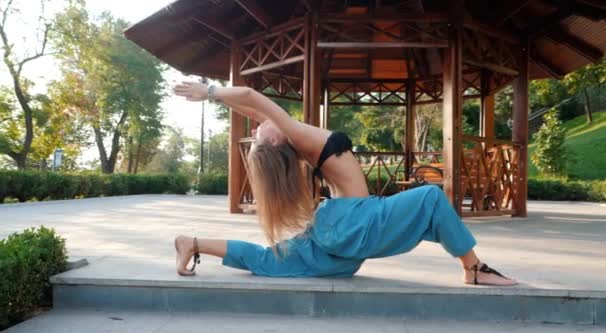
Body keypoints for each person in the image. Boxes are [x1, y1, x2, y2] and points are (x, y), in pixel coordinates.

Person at [172, 81, 517, 286]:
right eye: (259, 132)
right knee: (430, 199)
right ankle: (473, 269)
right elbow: (251, 97)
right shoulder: (291, 133)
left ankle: (194, 242)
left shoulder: (293, 140)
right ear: (275, 141)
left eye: (256, 127)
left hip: (339, 226)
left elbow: (252, 108)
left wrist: (217, 96)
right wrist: (211, 91)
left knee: (268, 261)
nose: (255, 127)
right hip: (357, 221)